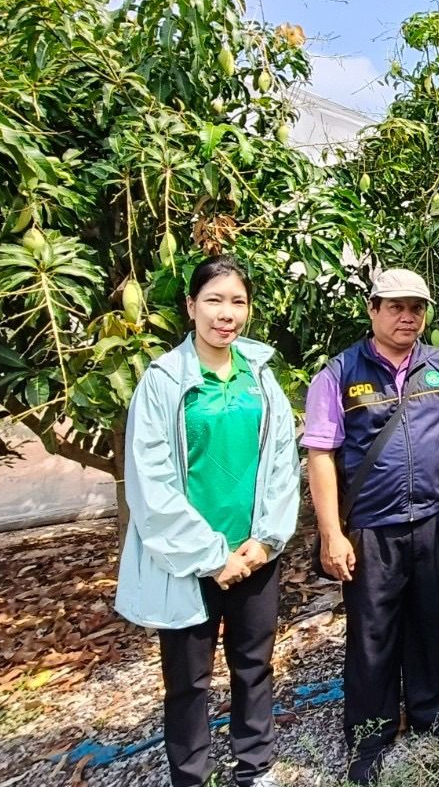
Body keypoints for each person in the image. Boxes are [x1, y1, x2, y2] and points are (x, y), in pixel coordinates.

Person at [116, 256, 299, 787]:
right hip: (189, 560)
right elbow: (151, 479)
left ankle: (255, 768)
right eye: (214, 300)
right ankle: (191, 776)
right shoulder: (162, 381)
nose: (227, 314)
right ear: (191, 306)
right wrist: (212, 557)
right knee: (188, 681)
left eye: (237, 302)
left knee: (254, 666)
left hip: (254, 552)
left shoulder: (259, 376)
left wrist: (264, 540)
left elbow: (282, 462)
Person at [302, 269, 439, 786]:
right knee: (373, 634)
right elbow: (320, 455)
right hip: (372, 528)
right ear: (372, 309)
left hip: (432, 518)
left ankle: (430, 713)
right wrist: (331, 532)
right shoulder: (339, 374)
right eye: (396, 307)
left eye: (416, 308)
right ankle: (369, 736)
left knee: (433, 621)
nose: (407, 317)